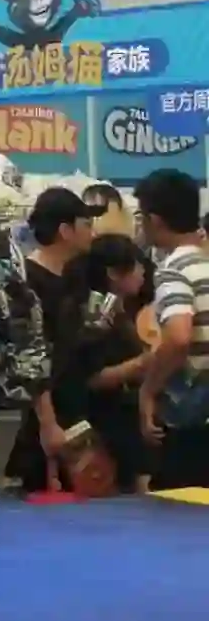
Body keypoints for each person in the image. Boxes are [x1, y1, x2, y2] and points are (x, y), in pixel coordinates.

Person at [5, 187, 100, 492]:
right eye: (86, 224)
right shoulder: (27, 283)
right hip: (44, 417)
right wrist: (48, 422)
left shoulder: (73, 277)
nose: (93, 232)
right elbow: (30, 357)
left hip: (74, 409)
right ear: (65, 230)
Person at [134, 168, 209, 489]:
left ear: (155, 220)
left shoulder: (173, 270)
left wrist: (148, 390)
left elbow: (178, 338)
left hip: (192, 426)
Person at [73, 234, 156, 492]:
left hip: (126, 419)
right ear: (113, 273)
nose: (142, 272)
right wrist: (143, 362)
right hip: (107, 423)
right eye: (136, 265)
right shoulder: (95, 316)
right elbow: (91, 377)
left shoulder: (124, 311)